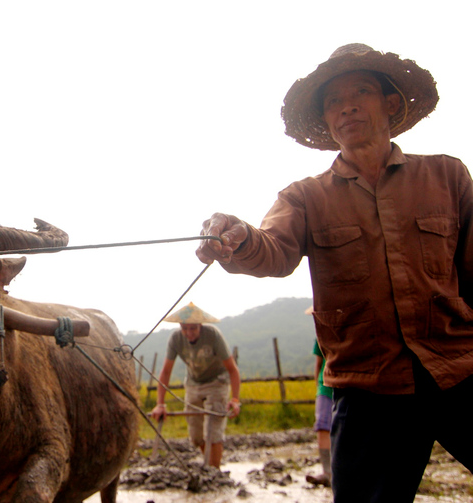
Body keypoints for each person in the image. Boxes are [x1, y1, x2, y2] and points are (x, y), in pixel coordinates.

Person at [195, 43, 473, 502]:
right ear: (326, 121)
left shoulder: (447, 177)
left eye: (360, 91)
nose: (345, 106)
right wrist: (239, 237)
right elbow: (274, 250)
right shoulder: (304, 197)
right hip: (369, 387)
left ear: (390, 104)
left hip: (457, 370)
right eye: (331, 101)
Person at [151, 302, 241, 469]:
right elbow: (165, 372)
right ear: (180, 327)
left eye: (193, 328)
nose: (189, 333)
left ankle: (213, 471)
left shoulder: (213, 335)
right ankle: (210, 465)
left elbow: (232, 369)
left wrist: (235, 399)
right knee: (196, 436)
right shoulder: (176, 339)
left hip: (217, 383)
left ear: (200, 326)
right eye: (185, 328)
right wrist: (160, 404)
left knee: (213, 433)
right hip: (193, 384)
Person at [305, 337, 332, 487]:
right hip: (326, 385)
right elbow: (318, 363)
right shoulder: (320, 337)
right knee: (322, 426)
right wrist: (318, 386)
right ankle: (327, 472)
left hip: (347, 385)